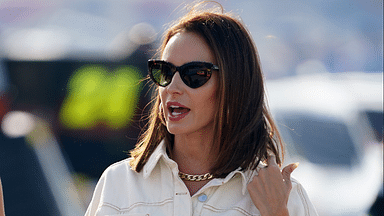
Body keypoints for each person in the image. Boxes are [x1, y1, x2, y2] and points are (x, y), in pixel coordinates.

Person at [85, 2, 318, 215]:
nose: (173, 88)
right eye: (164, 72)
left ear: (234, 85)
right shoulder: (119, 183)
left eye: (194, 74)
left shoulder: (281, 197)